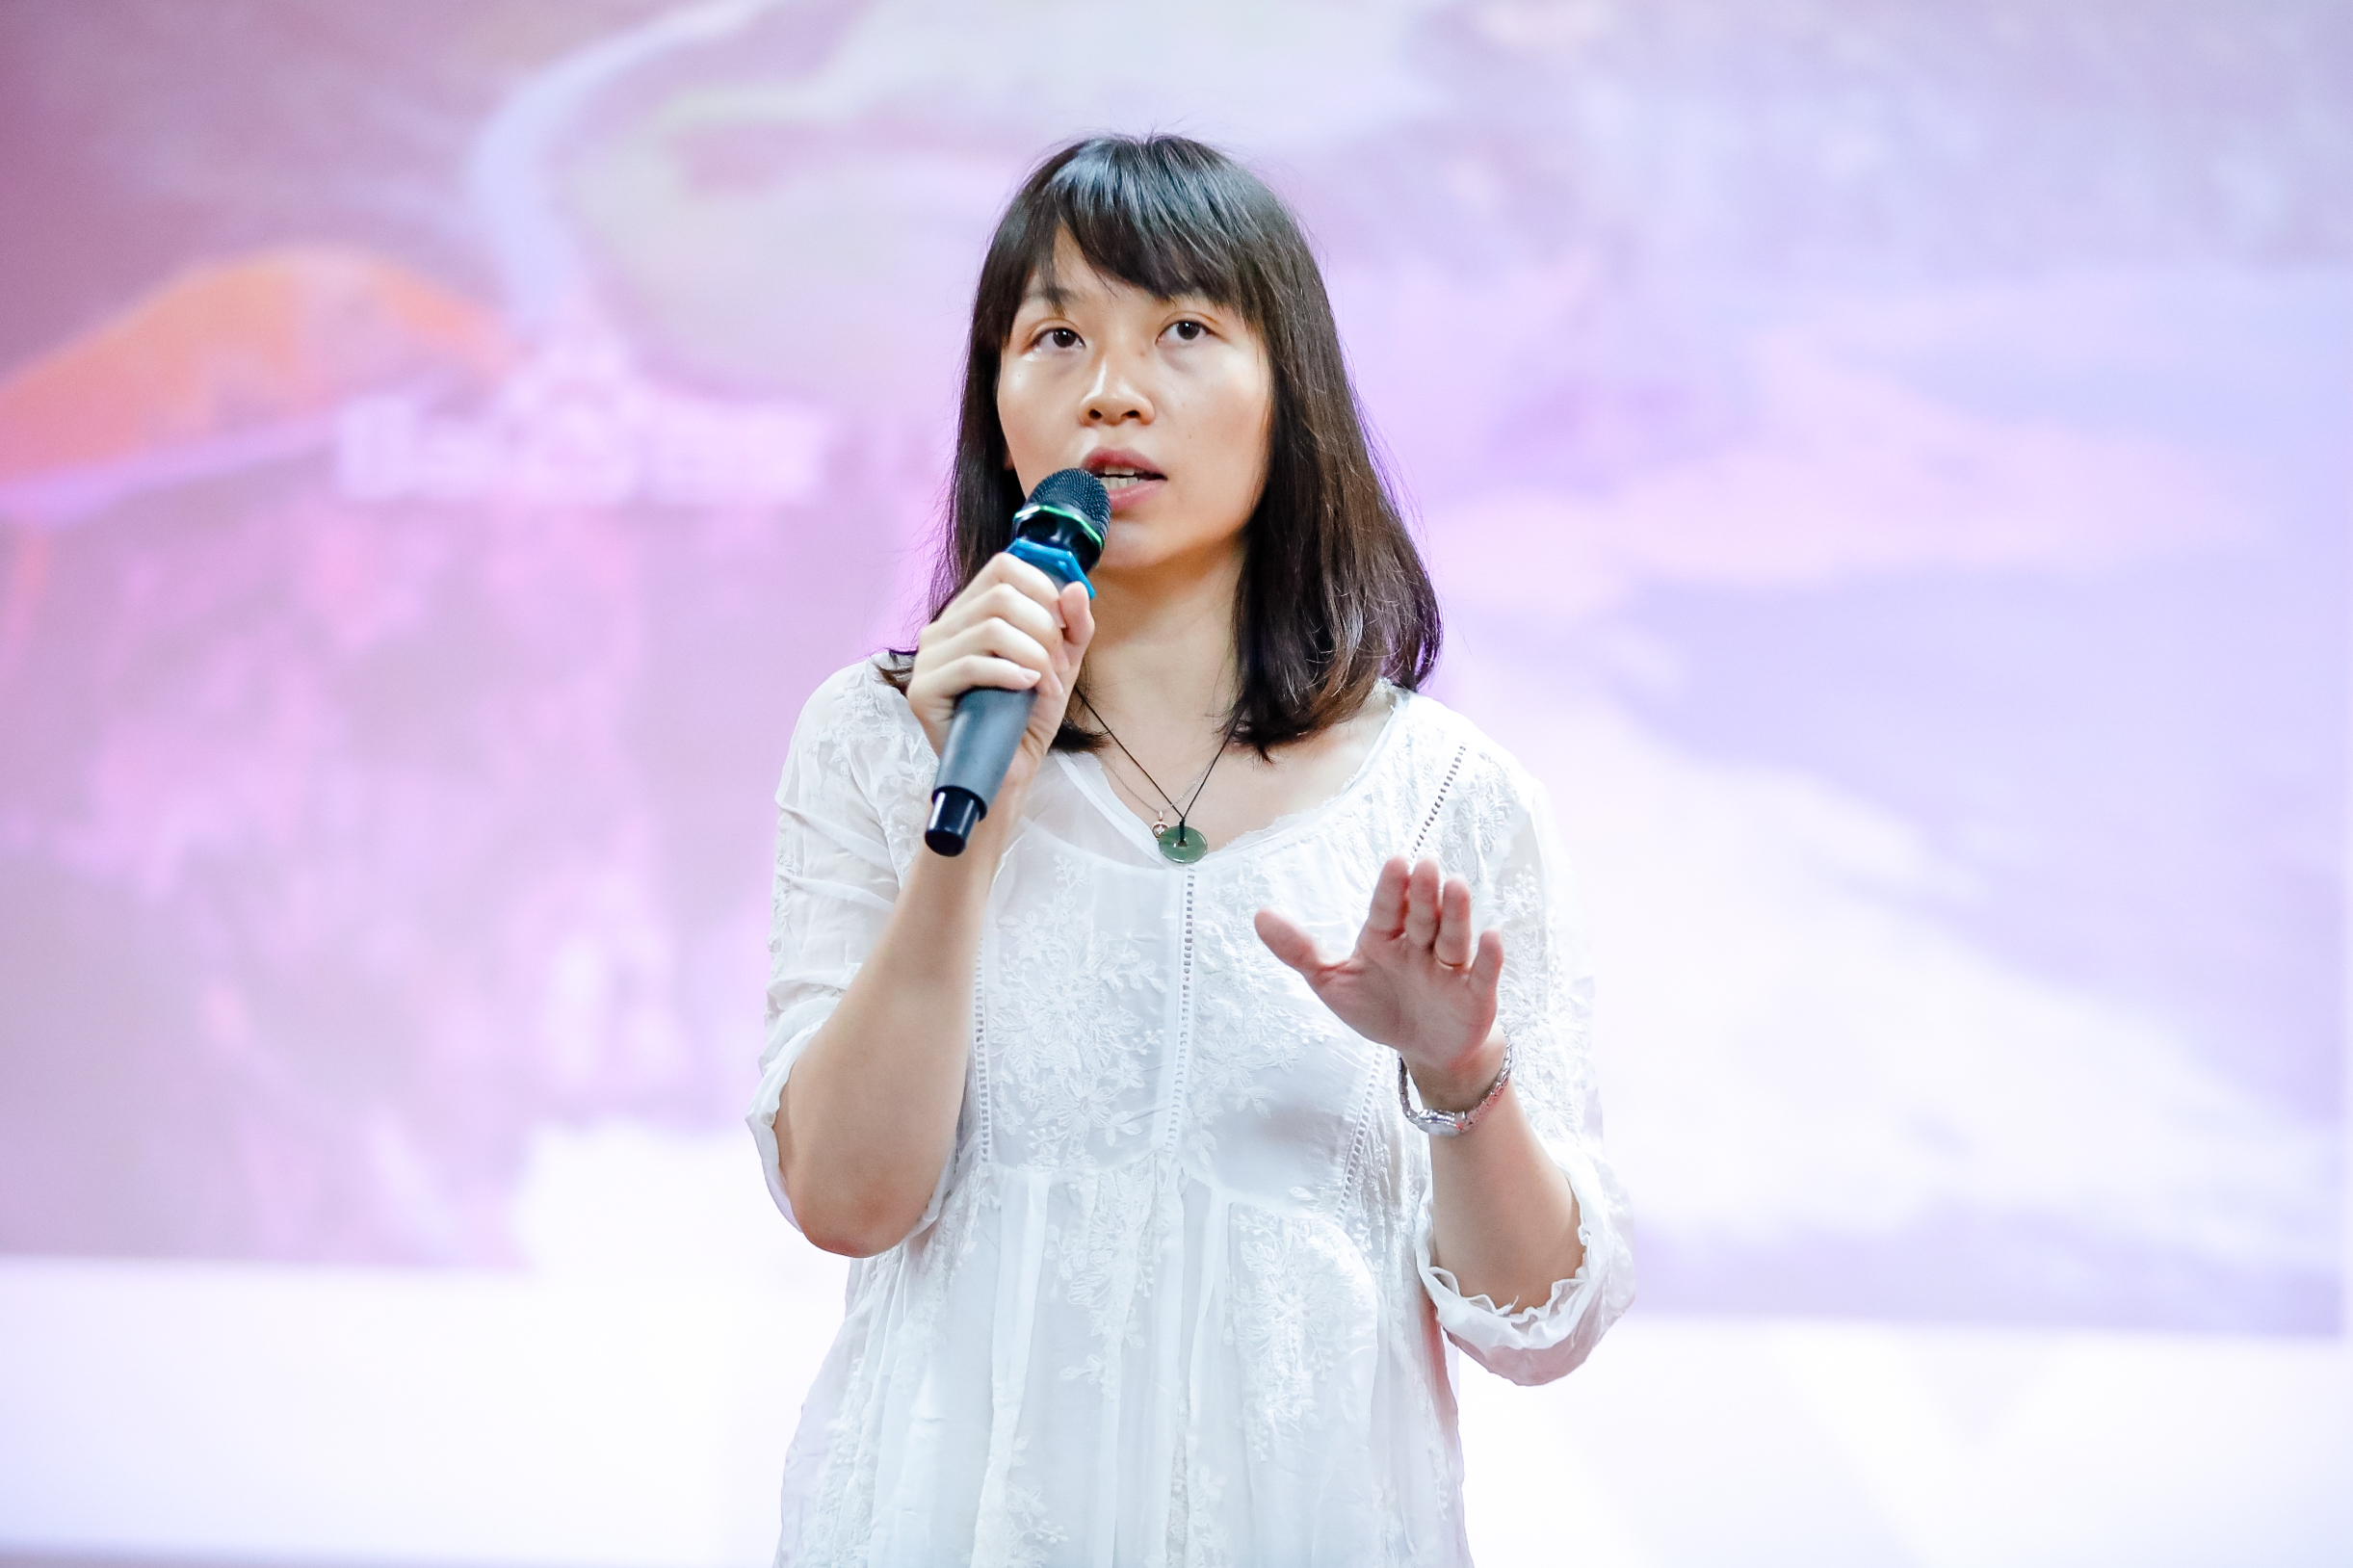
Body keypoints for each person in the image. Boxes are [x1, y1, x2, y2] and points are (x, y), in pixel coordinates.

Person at [751, 133, 1633, 1566]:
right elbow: (849, 1198)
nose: (1112, 386)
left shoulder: (1447, 803)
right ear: (995, 403)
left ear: (1291, 397)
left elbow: (1537, 1323)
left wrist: (1458, 1073)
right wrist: (967, 828)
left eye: (1182, 330)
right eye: (1056, 336)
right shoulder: (881, 740)